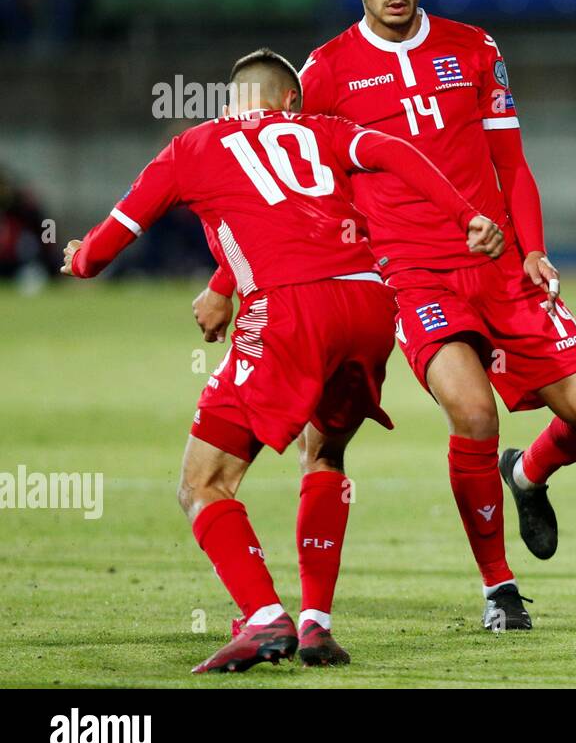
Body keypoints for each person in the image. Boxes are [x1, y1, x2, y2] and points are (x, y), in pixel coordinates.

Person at [193, 0, 576, 631]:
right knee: (473, 410)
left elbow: (512, 165)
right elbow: (285, 188)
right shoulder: (326, 71)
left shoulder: (475, 48)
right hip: (410, 276)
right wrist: (225, 280)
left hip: (498, 265)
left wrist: (534, 248)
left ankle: (529, 472)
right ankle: (499, 589)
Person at [63, 48, 504, 672]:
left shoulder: (193, 146)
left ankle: (267, 618)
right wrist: (467, 216)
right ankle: (318, 624)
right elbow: (393, 154)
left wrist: (80, 257)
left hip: (291, 313)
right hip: (371, 304)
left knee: (203, 483)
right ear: (290, 102)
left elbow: (110, 244)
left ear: (229, 104)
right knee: (324, 451)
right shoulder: (322, 131)